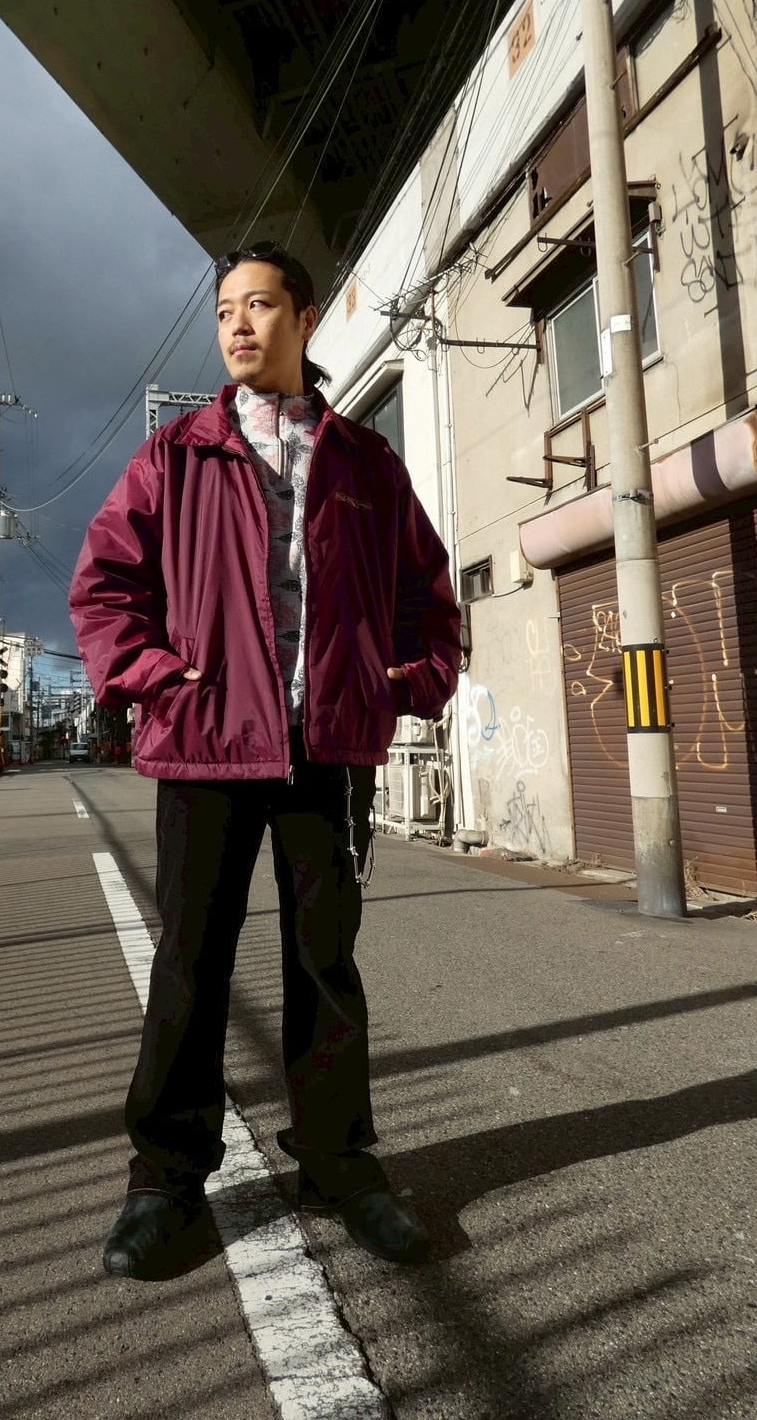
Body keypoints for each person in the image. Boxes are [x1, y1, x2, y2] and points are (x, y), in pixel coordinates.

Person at [70, 240, 462, 1277]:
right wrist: (157, 675)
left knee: (323, 963)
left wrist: (402, 680)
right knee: (190, 963)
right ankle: (164, 1180)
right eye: (225, 311)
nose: (238, 325)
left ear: (304, 318)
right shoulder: (177, 456)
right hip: (205, 745)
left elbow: (426, 595)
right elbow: (104, 587)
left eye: (259, 305)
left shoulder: (365, 462)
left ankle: (338, 1164)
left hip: (325, 749)